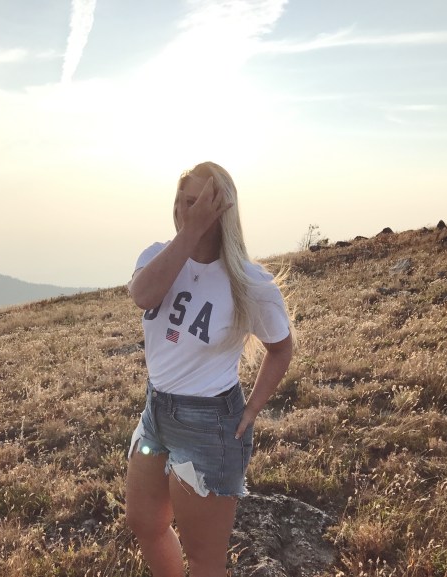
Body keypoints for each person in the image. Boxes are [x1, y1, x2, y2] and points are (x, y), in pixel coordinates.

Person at [125, 161, 294, 576]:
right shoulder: (157, 256)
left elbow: (280, 348)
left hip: (209, 426)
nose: (186, 209)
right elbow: (143, 295)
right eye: (182, 201)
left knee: (204, 559)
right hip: (157, 412)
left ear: (222, 210)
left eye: (198, 202)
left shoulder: (249, 283)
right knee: (145, 523)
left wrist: (252, 409)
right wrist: (190, 233)